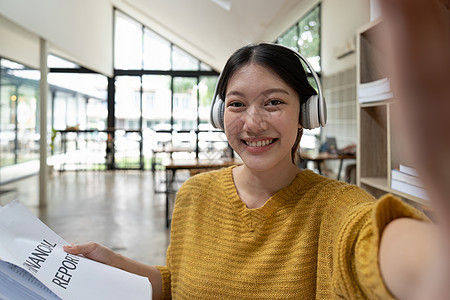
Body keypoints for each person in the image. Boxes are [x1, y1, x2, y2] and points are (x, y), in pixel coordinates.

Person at [64, 1, 450, 298]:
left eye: (274, 102)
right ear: (219, 114)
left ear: (308, 113)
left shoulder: (337, 209)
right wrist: (113, 263)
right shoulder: (193, 195)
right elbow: (177, 284)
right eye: (236, 104)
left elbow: (391, 253)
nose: (252, 123)